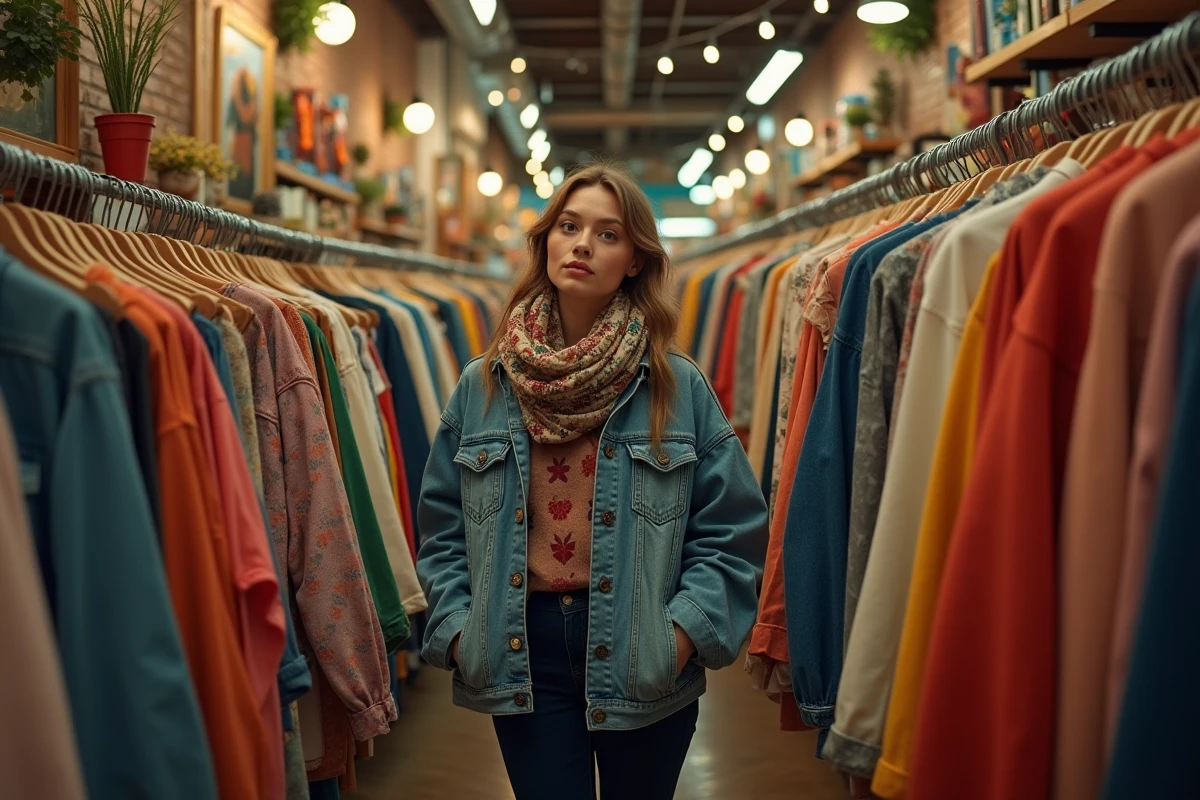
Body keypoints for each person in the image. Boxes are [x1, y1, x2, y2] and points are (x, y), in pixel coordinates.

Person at [416, 160, 767, 800]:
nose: (582, 244)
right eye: (569, 227)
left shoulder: (675, 386)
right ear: (546, 241)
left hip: (641, 649)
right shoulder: (484, 384)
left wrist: (680, 636)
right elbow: (442, 526)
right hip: (523, 653)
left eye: (608, 234)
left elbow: (732, 529)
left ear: (635, 260)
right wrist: (463, 633)